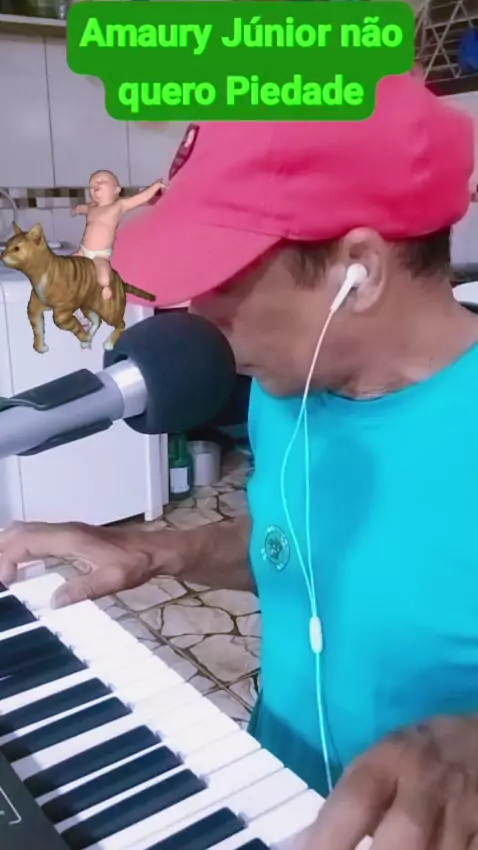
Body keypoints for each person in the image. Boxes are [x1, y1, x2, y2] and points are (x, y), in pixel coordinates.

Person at [1, 74, 478, 848]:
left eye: (219, 274)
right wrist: (156, 550)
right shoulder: (288, 382)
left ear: (356, 271)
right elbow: (297, 544)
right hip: (263, 811)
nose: (192, 312)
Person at [71, 170, 168, 299]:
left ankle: (105, 287)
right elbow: (81, 208)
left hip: (100, 254)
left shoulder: (118, 206)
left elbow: (139, 199)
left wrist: (155, 187)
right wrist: (75, 210)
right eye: (92, 185)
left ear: (116, 190)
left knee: (103, 275)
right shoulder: (91, 207)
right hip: (83, 251)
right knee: (68, 266)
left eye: (102, 181)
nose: (96, 185)